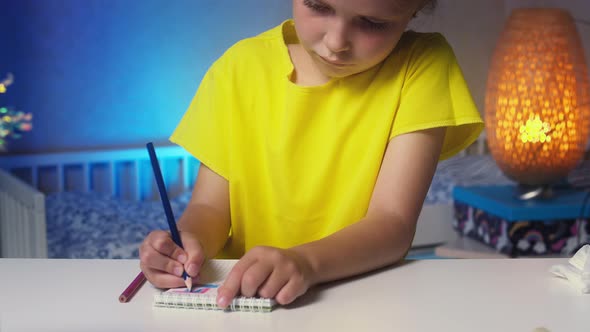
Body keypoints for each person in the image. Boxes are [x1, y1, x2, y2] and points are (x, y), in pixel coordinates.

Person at [140, 0, 483, 309]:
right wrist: (186, 244)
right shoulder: (239, 68)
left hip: (363, 301)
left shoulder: (422, 65)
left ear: (414, 11)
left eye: (373, 24)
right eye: (319, 6)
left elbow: (392, 222)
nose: (336, 43)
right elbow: (209, 208)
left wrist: (306, 263)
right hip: (242, 304)